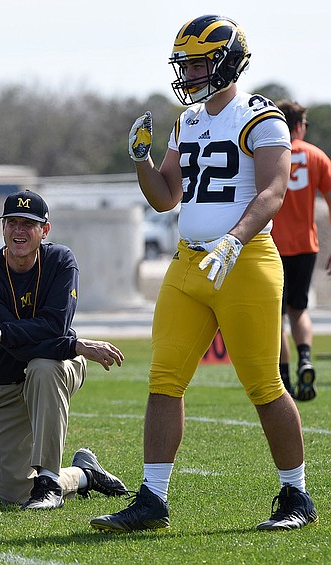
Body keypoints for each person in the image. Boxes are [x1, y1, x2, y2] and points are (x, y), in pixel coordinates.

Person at [90, 15, 318, 532]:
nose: (189, 73)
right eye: (185, 63)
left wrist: (233, 240)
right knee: (164, 380)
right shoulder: (186, 120)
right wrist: (142, 161)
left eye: (197, 62)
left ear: (228, 60)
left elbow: (272, 193)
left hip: (244, 260)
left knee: (264, 384)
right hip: (189, 262)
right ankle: (153, 498)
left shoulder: (263, 118)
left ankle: (297, 496)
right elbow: (167, 196)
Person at [0, 189, 128, 509]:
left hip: (57, 365)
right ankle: (83, 474)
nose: (19, 230)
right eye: (13, 222)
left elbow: (54, 327)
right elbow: (20, 348)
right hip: (3, 381)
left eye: (29, 224)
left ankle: (48, 482)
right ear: (3, 227)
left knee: (43, 364)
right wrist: (76, 344)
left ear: (44, 230)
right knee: (13, 492)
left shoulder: (60, 260)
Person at [270, 99, 331, 401]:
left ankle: (284, 377)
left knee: (276, 316)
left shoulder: (269, 152)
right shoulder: (317, 156)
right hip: (307, 245)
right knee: (299, 309)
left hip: (273, 247)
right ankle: (305, 358)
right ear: (299, 125)